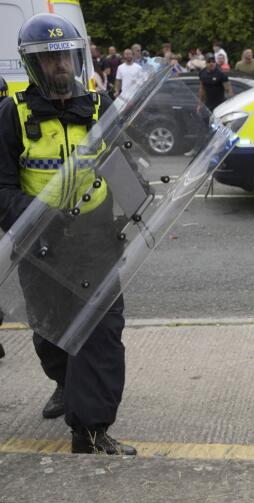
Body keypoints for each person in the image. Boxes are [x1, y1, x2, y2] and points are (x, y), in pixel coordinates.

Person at [0, 13, 134, 455]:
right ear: (33, 66)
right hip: (40, 243)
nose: (61, 66)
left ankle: (90, 430)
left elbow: (125, 163)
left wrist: (137, 203)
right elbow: (1, 186)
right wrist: (34, 218)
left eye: (66, 57)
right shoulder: (11, 114)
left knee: (101, 333)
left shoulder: (99, 105)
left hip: (95, 241)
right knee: (52, 334)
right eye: (50, 58)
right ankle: (65, 382)